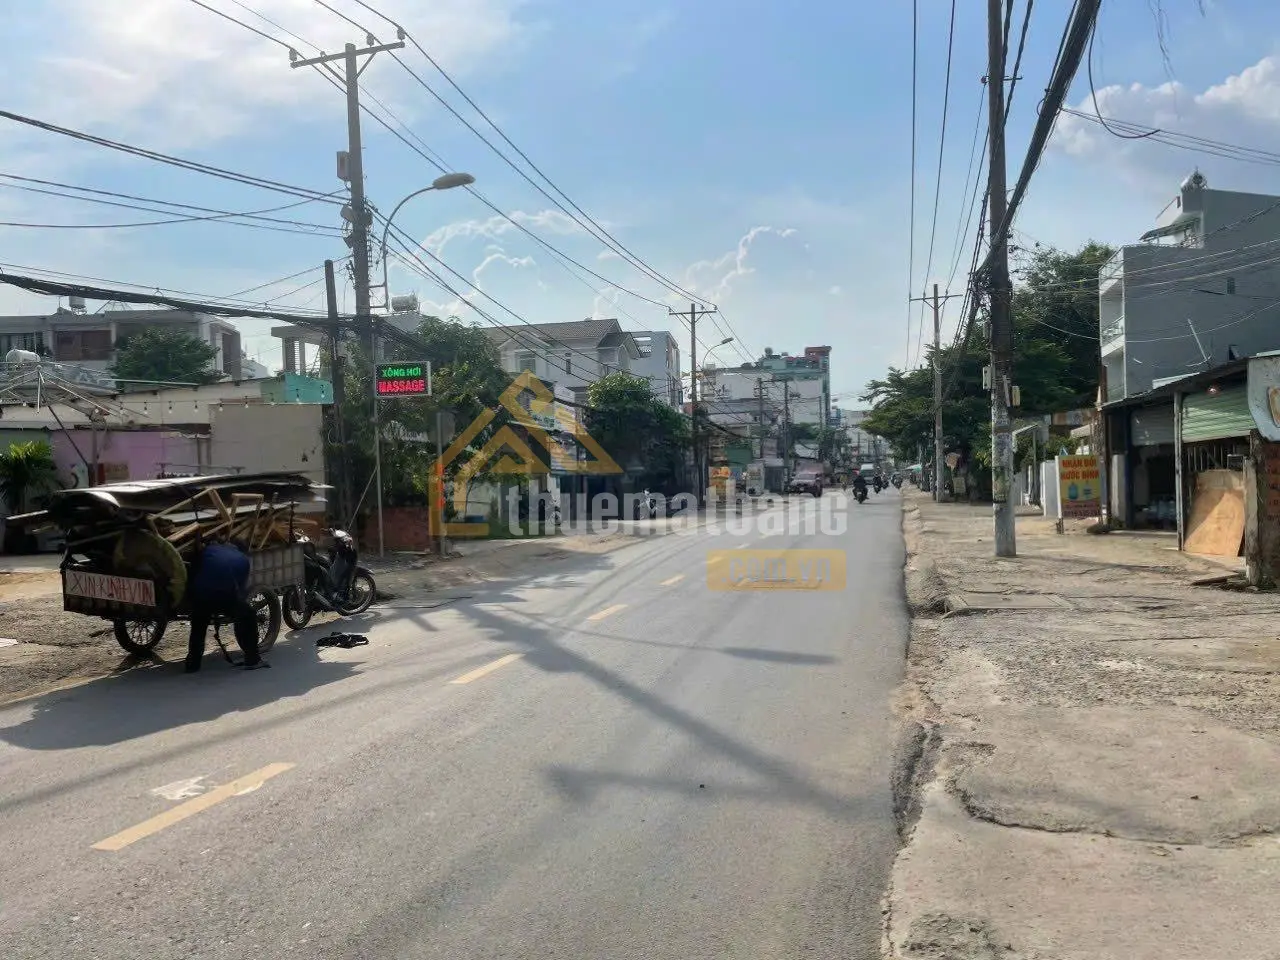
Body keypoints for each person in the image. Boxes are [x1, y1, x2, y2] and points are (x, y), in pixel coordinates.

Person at [185, 539, 267, 673]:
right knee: (247, 615)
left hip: (199, 593)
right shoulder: (243, 560)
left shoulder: (209, 549)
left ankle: (193, 664)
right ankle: (253, 659)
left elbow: (194, 570)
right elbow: (240, 590)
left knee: (199, 623)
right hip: (223, 596)